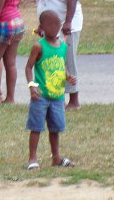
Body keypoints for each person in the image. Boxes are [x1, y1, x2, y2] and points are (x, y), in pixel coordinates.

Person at [25, 10, 76, 171]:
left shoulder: (63, 46)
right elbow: (28, 67)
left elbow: (61, 65)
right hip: (41, 97)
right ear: (42, 27)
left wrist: (68, 77)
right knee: (36, 128)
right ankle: (32, 158)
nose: (54, 28)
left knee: (55, 129)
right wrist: (32, 86)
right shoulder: (38, 46)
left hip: (57, 96)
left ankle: (56, 157)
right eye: (49, 25)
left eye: (56, 24)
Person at [35, 0, 83, 110]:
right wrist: (41, 25)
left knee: (68, 62)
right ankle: (58, 98)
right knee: (55, 63)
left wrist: (68, 22)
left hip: (66, 26)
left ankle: (74, 100)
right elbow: (44, 2)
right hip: (50, 28)